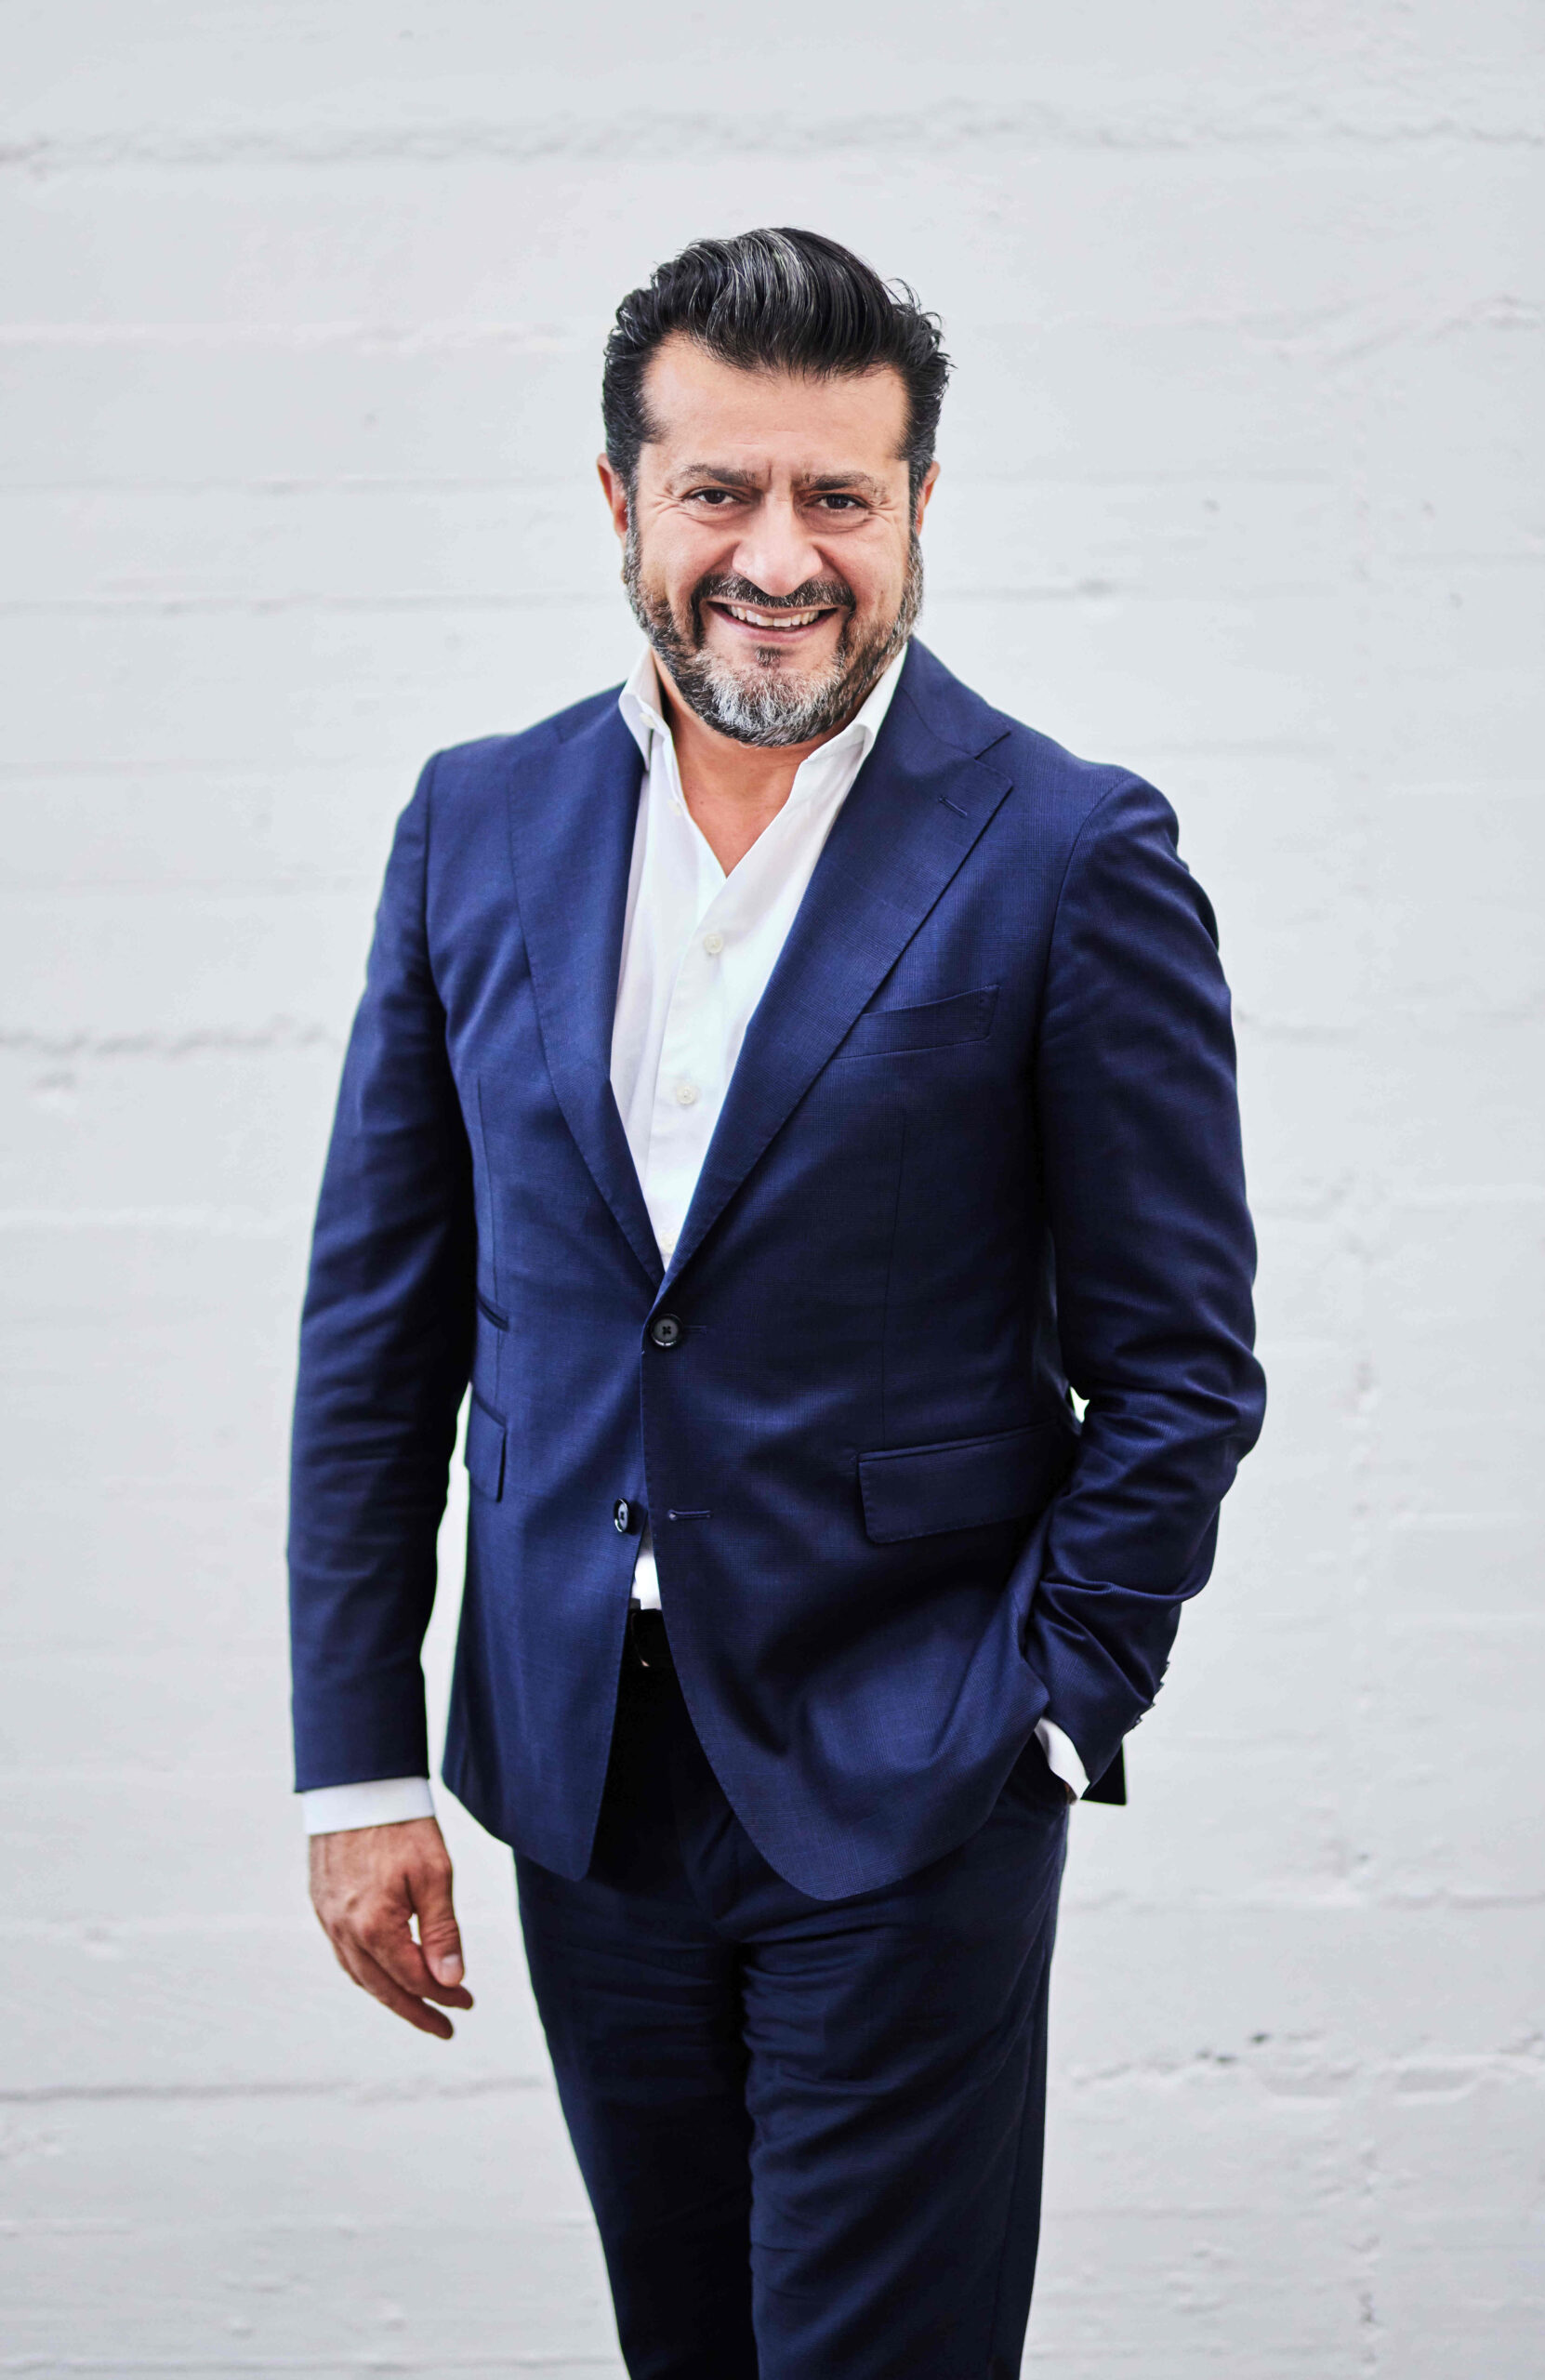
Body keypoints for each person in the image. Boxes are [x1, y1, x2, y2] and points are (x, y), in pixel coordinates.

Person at [289, 226, 1264, 2380]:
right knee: (688, 2349)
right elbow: (380, 1322)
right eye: (717, 489)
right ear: (618, 500)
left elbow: (1180, 1362)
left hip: (910, 1758)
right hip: (576, 1762)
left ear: (917, 506)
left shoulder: (1066, 845)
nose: (777, 555)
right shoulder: (475, 823)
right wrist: (354, 1761)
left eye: (838, 494)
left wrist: (1044, 1706)